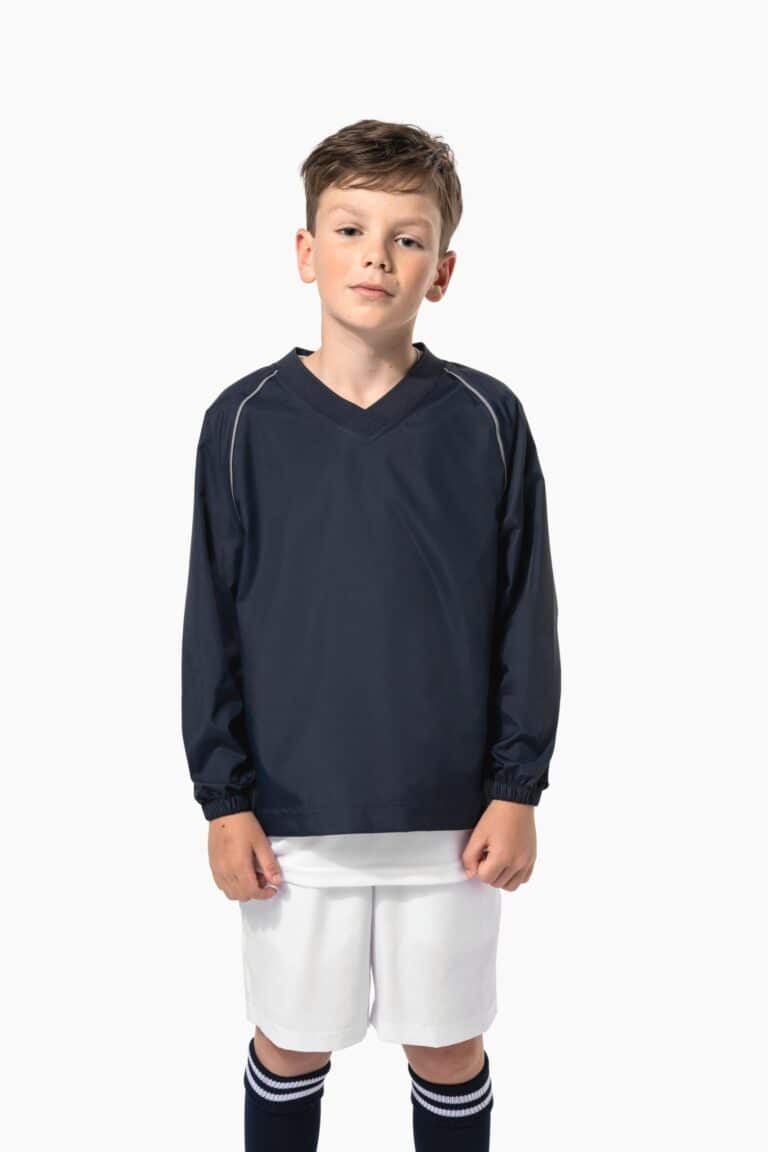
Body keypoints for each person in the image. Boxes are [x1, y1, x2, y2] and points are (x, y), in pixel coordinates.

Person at [181, 117, 561, 1151]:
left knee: (447, 1048)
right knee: (290, 1045)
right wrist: (223, 798)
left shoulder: (487, 418)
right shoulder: (244, 421)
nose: (376, 258)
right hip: (291, 822)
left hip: (453, 825)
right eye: (350, 230)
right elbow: (212, 619)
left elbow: (526, 614)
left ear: (443, 269)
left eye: (407, 238)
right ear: (307, 251)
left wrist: (517, 786)